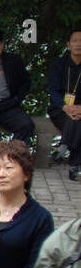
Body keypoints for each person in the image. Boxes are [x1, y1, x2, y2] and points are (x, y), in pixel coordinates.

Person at [46, 28, 81, 183]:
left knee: (77, 120)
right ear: (68, 44)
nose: (78, 44)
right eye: (75, 41)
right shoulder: (58, 64)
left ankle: (64, 146)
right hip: (60, 108)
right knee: (76, 121)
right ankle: (74, 166)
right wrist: (65, 107)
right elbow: (53, 90)